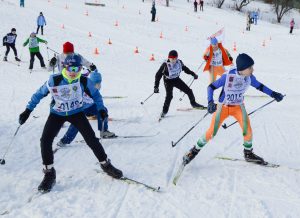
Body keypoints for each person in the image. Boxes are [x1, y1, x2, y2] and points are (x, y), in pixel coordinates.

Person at [18, 54, 123, 193]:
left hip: (76, 113)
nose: (74, 72)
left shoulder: (84, 81)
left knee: (92, 139)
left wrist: (101, 109)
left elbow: (96, 95)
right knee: (45, 140)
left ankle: (106, 164)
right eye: (71, 68)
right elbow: (38, 94)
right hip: (57, 114)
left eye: (77, 69)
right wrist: (27, 110)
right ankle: (49, 173)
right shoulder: (54, 80)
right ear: (65, 67)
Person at [182, 53, 284, 166]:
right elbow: (211, 87)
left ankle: (248, 154)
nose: (252, 69)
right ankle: (193, 151)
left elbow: (260, 86)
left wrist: (274, 94)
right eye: (250, 67)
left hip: (238, 107)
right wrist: (210, 102)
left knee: (247, 130)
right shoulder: (228, 76)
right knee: (211, 132)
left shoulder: (249, 77)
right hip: (223, 107)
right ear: (242, 68)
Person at [57, 70, 116, 147]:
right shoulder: (83, 85)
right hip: (79, 108)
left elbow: (98, 99)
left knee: (103, 110)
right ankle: (65, 140)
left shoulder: (96, 87)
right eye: (96, 83)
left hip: (90, 106)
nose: (98, 85)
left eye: (99, 83)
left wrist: (101, 109)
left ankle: (103, 131)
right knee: (77, 122)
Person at [154, 50, 206, 118]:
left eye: (175, 58)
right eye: (172, 59)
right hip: (168, 81)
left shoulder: (179, 62)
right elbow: (158, 75)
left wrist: (193, 74)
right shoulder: (165, 65)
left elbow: (185, 69)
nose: (173, 60)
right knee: (169, 96)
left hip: (176, 79)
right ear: (169, 58)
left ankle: (193, 104)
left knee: (189, 91)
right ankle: (164, 111)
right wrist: (156, 86)